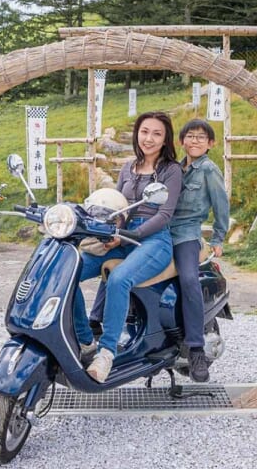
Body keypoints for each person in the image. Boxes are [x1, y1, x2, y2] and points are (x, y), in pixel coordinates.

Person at [74, 111, 182, 383]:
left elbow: (164, 215)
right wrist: (106, 230)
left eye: (157, 133)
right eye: (145, 131)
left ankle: (107, 353)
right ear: (137, 133)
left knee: (120, 279)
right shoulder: (128, 167)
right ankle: (86, 341)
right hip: (122, 236)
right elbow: (117, 207)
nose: (149, 138)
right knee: (68, 270)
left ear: (165, 138)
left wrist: (129, 234)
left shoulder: (171, 170)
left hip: (154, 240)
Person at [170, 118, 229, 382]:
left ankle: (195, 349)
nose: (194, 141)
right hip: (160, 231)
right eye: (190, 136)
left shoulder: (208, 170)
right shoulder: (174, 167)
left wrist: (218, 238)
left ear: (211, 143)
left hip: (186, 233)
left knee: (189, 280)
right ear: (181, 141)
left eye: (201, 137)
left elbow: (221, 205)